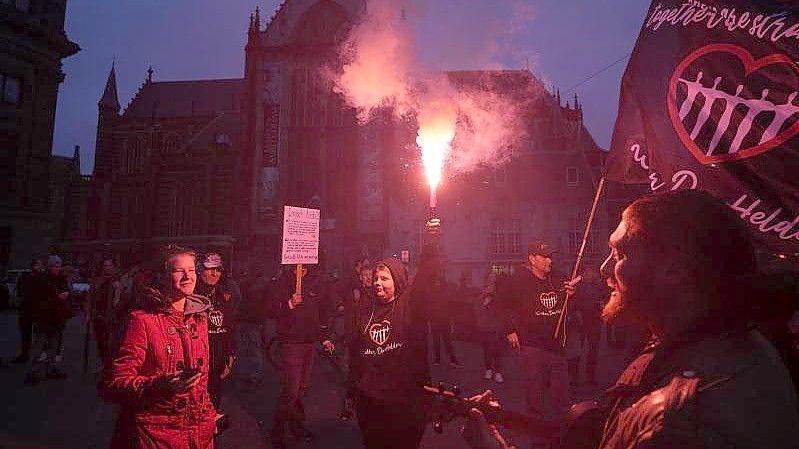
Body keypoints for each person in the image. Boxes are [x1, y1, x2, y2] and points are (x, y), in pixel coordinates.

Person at [468, 190, 799, 449]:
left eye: (621, 254)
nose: (603, 270)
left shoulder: (677, 423)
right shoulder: (738, 342)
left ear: (675, 270)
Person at [100, 245, 216, 449]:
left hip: (198, 434)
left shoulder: (199, 318)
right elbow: (113, 383)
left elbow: (201, 383)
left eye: (191, 270)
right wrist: (157, 386)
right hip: (156, 436)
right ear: (162, 276)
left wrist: (211, 415)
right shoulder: (141, 320)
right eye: (179, 271)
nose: (188, 277)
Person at [348, 219, 439, 449]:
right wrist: (352, 391)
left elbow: (426, 278)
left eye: (384, 278)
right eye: (376, 278)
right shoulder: (365, 313)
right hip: (372, 405)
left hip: (405, 404)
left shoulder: (411, 306)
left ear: (397, 281)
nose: (378, 283)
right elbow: (356, 356)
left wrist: (431, 244)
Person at [498, 241, 578, 437]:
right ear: (532, 259)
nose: (549, 260)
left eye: (551, 256)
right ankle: (537, 437)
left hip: (557, 347)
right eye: (544, 256)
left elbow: (568, 308)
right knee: (535, 397)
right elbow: (500, 305)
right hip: (532, 347)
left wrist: (572, 295)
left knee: (562, 398)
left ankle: (563, 436)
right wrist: (510, 330)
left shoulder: (558, 278)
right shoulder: (519, 281)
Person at [269, 264, 334, 449]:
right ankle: (277, 433)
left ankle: (297, 427)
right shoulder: (283, 281)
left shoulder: (315, 281)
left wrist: (324, 339)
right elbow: (271, 310)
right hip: (291, 342)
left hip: (308, 343)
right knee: (291, 391)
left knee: (302, 389)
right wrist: (289, 304)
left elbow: (317, 315)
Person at [194, 253, 239, 414]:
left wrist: (231, 353)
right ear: (200, 270)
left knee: (214, 401)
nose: (214, 274)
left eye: (218, 270)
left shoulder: (224, 295)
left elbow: (230, 326)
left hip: (218, 358)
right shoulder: (191, 294)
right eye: (209, 269)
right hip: (196, 359)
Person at [25, 255, 71, 383]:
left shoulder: (61, 280)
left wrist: (66, 296)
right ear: (49, 266)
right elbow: (37, 301)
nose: (57, 268)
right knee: (39, 346)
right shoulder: (41, 280)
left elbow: (67, 293)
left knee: (53, 346)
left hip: (56, 318)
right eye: (54, 266)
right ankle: (32, 371)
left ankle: (51, 368)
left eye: (58, 266)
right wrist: (58, 298)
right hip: (43, 319)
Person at [236, 264, 271, 387]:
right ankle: (251, 373)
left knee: (252, 348)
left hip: (251, 319)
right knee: (252, 347)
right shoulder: (262, 284)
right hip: (253, 319)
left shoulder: (253, 285)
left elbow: (245, 299)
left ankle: (253, 374)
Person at [87, 257, 122, 369]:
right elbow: (90, 298)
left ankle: (111, 365)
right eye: (105, 266)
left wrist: (118, 291)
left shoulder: (118, 282)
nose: (107, 268)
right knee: (101, 342)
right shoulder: (97, 282)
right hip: (99, 315)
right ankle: (105, 364)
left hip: (112, 317)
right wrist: (88, 313)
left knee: (112, 343)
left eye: (109, 266)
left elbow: (121, 301)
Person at [12, 259, 44, 364]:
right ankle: (25, 354)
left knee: (38, 333)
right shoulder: (26, 277)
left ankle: (37, 354)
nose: (40, 267)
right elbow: (19, 291)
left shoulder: (41, 277)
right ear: (34, 266)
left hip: (37, 309)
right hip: (27, 309)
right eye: (38, 265)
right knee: (26, 333)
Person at [476, 271, 505, 383]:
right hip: (484, 327)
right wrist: (485, 302)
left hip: (496, 327)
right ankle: (488, 369)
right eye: (490, 278)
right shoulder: (482, 294)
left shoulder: (499, 294)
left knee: (497, 350)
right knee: (486, 349)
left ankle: (498, 372)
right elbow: (477, 309)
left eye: (494, 279)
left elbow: (503, 310)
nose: (492, 281)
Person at [429, 275, 462, 367]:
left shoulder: (445, 295)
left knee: (447, 342)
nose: (437, 284)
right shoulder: (432, 295)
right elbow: (429, 308)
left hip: (444, 321)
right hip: (435, 321)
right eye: (436, 282)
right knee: (436, 342)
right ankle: (437, 359)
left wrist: (451, 320)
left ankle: (452, 360)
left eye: (438, 282)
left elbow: (450, 308)